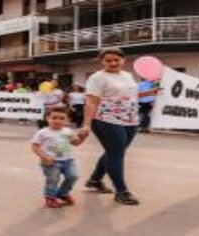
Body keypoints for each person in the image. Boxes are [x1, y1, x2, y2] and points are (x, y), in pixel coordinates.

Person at [80, 48, 160, 205]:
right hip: (106, 119)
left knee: (114, 152)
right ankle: (121, 192)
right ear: (102, 62)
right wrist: (86, 124)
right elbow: (91, 102)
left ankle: (95, 180)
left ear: (123, 60)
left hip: (130, 119)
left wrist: (154, 91)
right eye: (108, 60)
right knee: (116, 154)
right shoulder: (97, 78)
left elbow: (133, 95)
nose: (113, 63)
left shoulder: (128, 75)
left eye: (116, 60)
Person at [31, 107, 86, 208]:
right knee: (53, 179)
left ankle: (63, 193)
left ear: (67, 120)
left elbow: (75, 143)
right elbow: (35, 146)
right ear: (48, 118)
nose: (57, 120)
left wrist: (82, 138)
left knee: (73, 176)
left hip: (69, 160)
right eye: (54, 117)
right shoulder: (43, 132)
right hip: (51, 162)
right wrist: (44, 156)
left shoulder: (68, 131)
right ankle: (50, 197)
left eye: (61, 118)